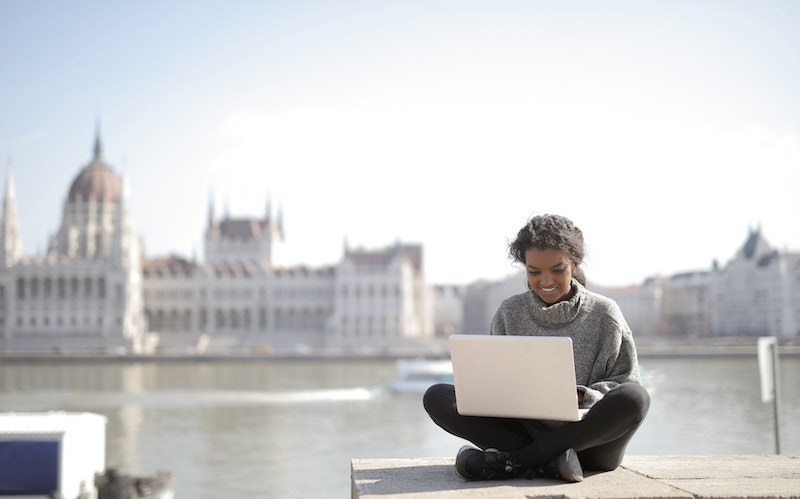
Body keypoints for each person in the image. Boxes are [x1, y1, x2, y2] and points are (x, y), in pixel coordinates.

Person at [423, 213, 650, 482]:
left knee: (635, 398)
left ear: (573, 263)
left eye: (558, 269)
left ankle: (517, 462)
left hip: (588, 444)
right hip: (523, 432)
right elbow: (494, 378)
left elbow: (625, 380)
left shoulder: (605, 313)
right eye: (534, 272)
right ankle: (548, 462)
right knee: (437, 396)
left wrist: (579, 396)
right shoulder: (509, 311)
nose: (546, 281)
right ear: (525, 267)